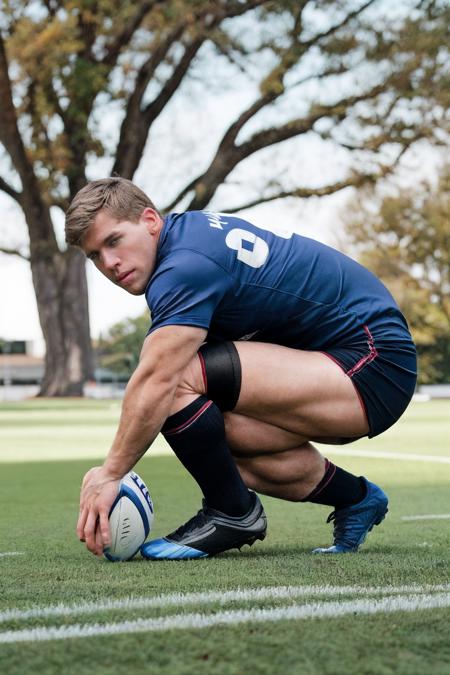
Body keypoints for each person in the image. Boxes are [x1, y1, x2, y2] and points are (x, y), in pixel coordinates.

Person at [65, 177, 417, 560]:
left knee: (177, 378)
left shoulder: (183, 267)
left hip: (373, 360)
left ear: (150, 220)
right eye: (95, 256)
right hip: (336, 366)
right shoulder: (184, 242)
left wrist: (111, 474)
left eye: (114, 241)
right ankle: (357, 498)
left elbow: (156, 380)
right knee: (208, 435)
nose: (109, 263)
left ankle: (231, 512)